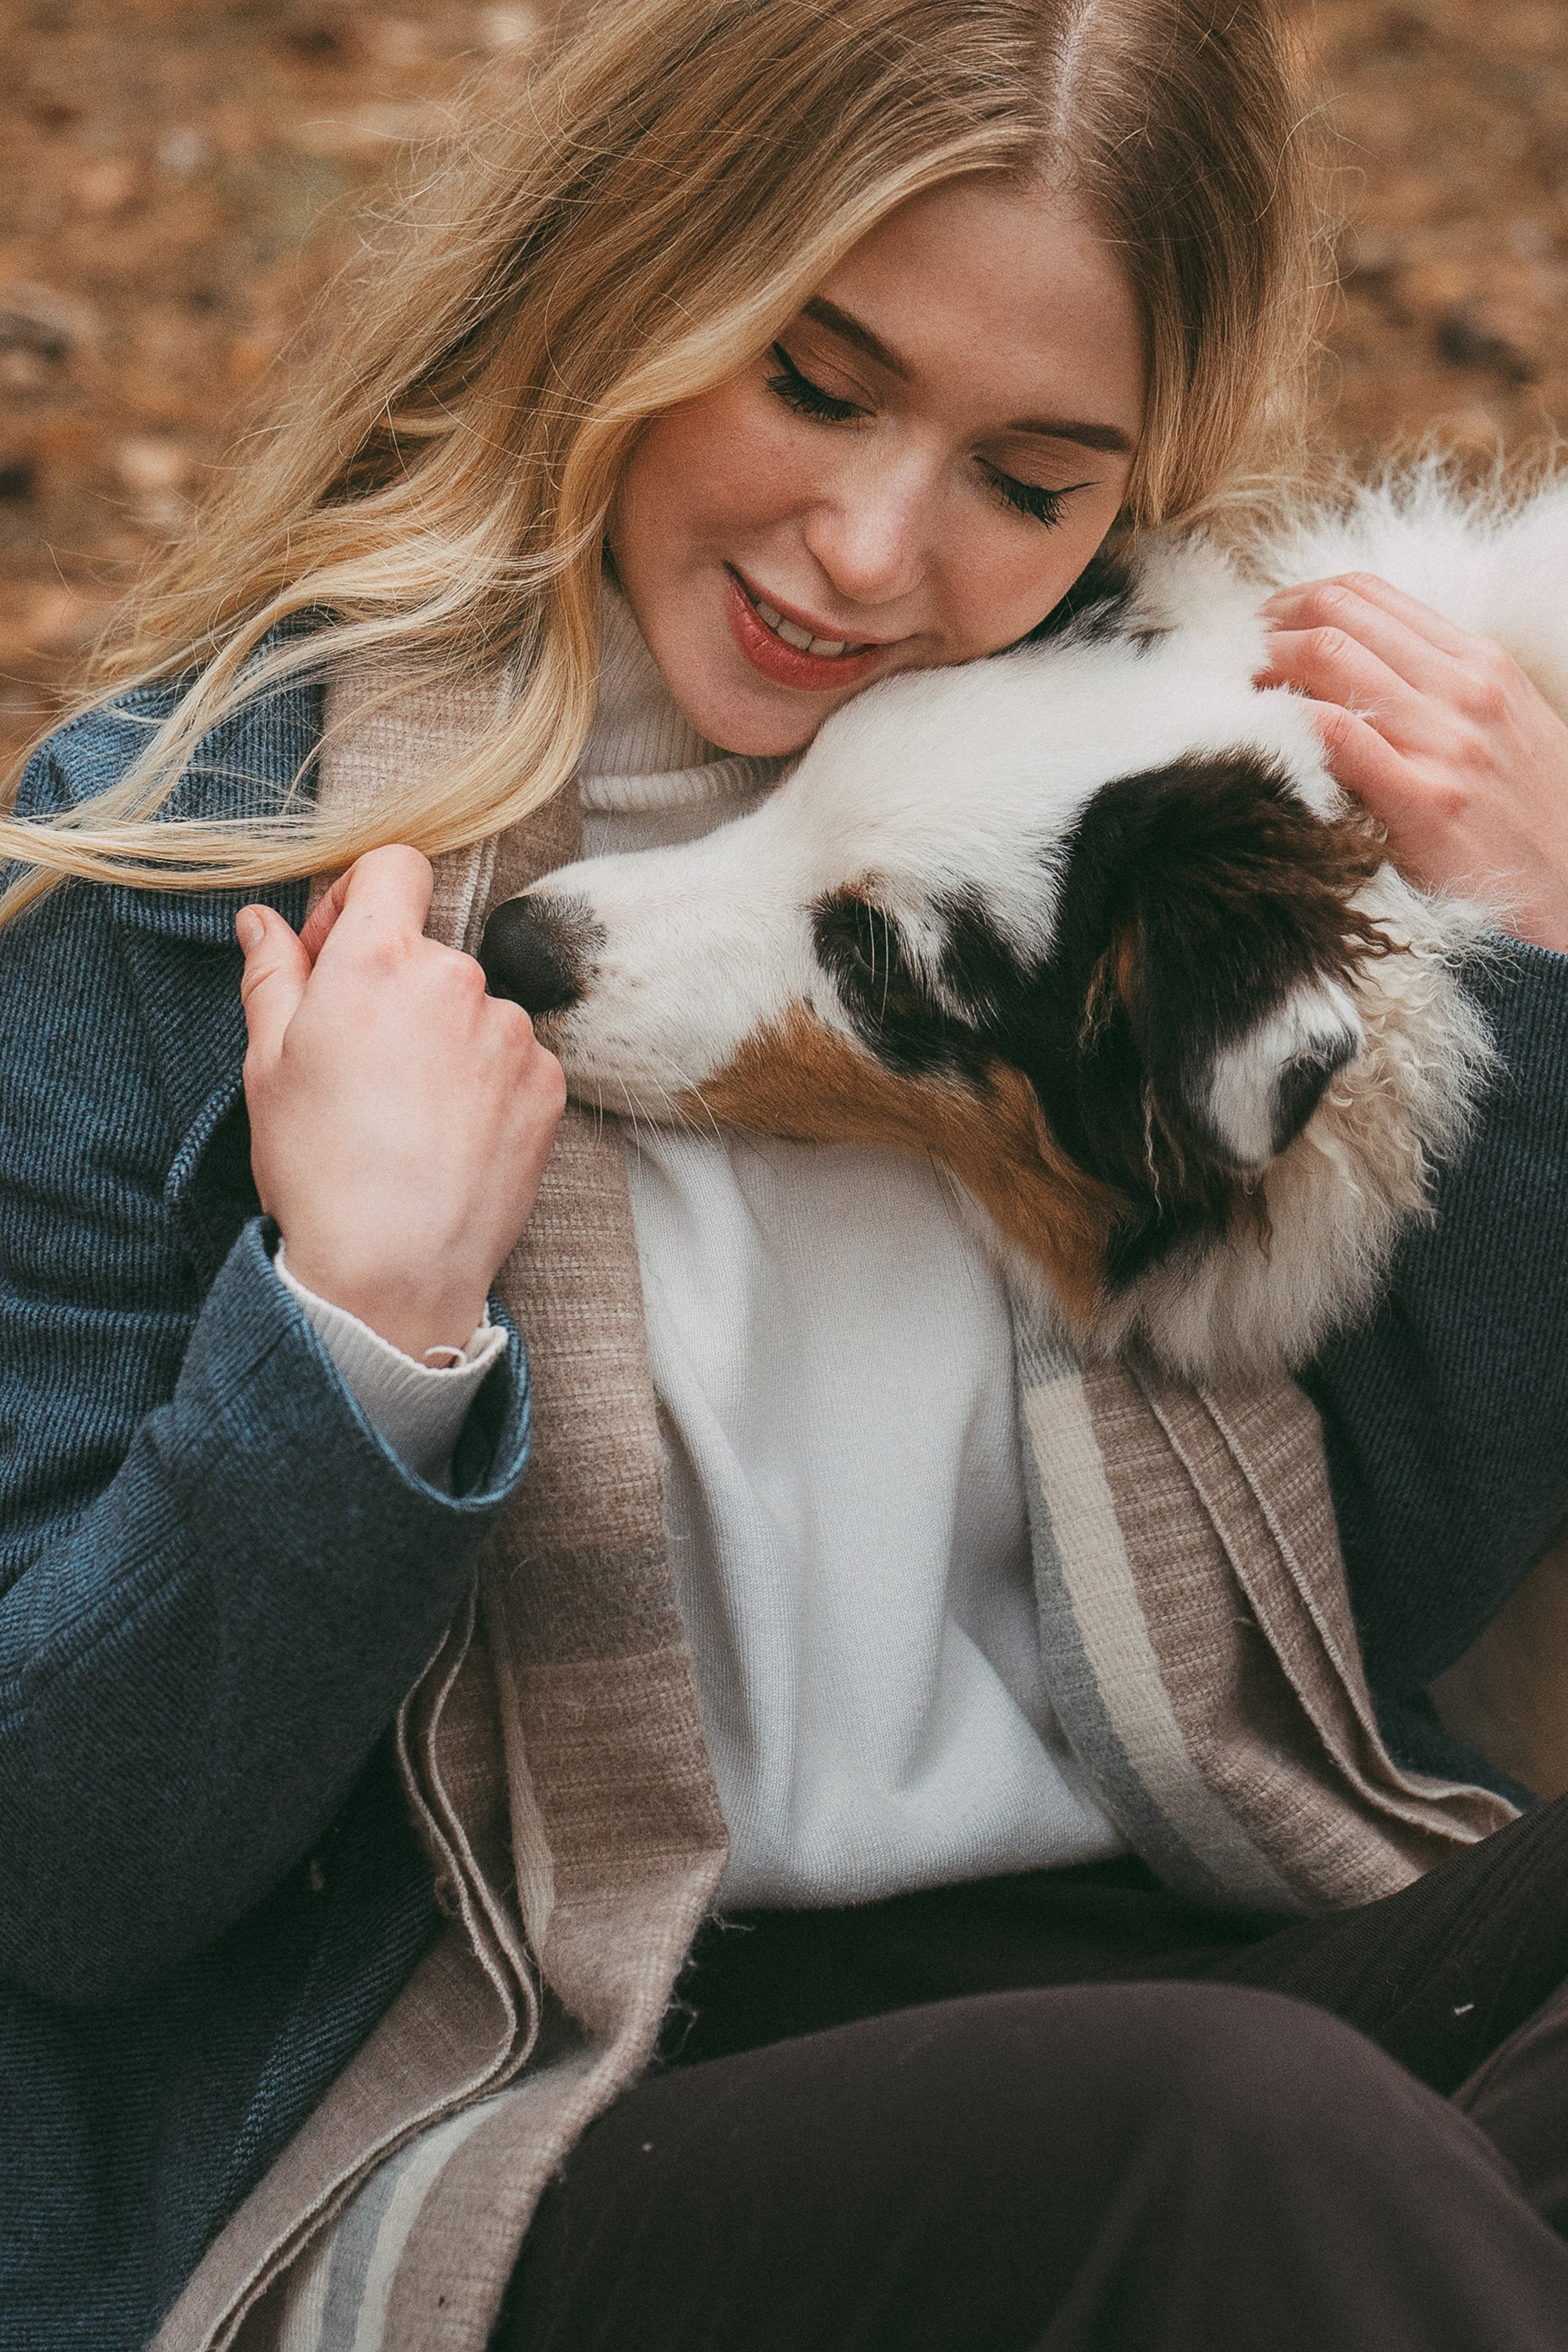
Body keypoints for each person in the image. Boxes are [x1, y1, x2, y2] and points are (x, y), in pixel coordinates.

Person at [2, 2, 1568, 2347]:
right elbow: (65, 1864)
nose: (866, 553)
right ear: (639, 273)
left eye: (1028, 482)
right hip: (525, 2097)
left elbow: (1364, 1634)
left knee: (1257, 2108)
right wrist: (354, 1350)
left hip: (1187, 1952)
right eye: (817, 385)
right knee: (1243, 2137)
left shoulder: (1134, 863)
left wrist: (1539, 978)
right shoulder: (188, 867)